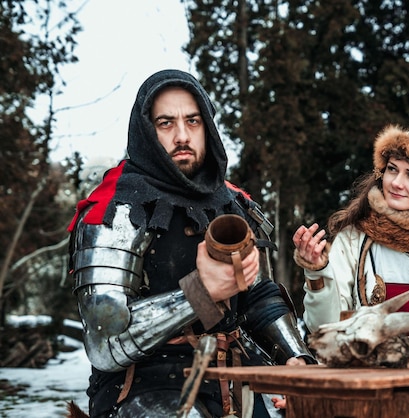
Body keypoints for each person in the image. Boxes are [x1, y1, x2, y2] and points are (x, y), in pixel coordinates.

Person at [68, 69, 315, 418]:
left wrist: (296, 359)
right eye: (166, 123)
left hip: (234, 370)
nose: (182, 135)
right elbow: (105, 343)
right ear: (145, 131)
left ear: (208, 126)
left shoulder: (232, 203)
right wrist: (201, 292)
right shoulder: (116, 209)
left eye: (193, 121)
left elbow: (257, 295)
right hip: (145, 383)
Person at [292, 125, 409, 403]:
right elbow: (325, 327)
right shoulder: (352, 238)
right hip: (365, 394)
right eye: (392, 169)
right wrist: (317, 272)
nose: (397, 183)